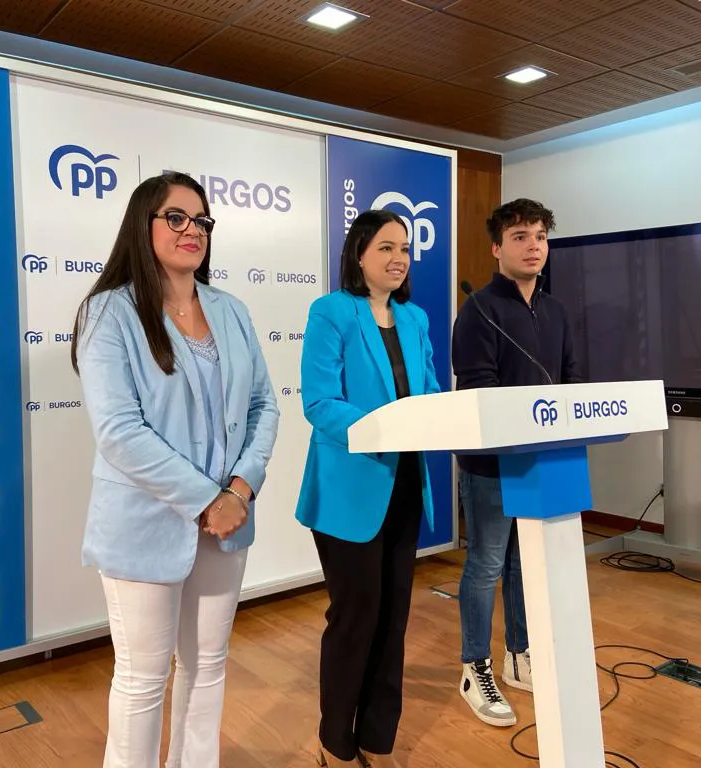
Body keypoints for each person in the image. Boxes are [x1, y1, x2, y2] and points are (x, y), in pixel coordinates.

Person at [71, 172, 279, 768]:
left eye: (202, 220)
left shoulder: (231, 311)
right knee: (142, 679)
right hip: (144, 522)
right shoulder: (108, 312)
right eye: (177, 217)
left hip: (227, 523)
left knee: (207, 665)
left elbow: (264, 406)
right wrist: (208, 499)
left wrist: (240, 489)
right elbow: (119, 432)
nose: (194, 230)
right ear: (144, 225)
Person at [296, 210, 440, 767]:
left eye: (404, 248)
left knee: (393, 618)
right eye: (385, 247)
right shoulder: (332, 311)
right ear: (359, 254)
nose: (398, 258)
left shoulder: (415, 318)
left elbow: (430, 392)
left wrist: (440, 415)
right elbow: (320, 402)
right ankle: (335, 742)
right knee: (355, 618)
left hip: (405, 485)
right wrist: (384, 429)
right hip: (348, 492)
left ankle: (378, 740)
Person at [451, 198, 582, 727]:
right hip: (491, 464)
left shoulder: (557, 312)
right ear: (496, 248)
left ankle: (518, 655)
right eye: (521, 237)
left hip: (543, 461)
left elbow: (571, 380)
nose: (533, 247)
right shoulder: (478, 309)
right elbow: (477, 390)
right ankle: (474, 667)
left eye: (540, 237)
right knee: (486, 564)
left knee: (524, 563)